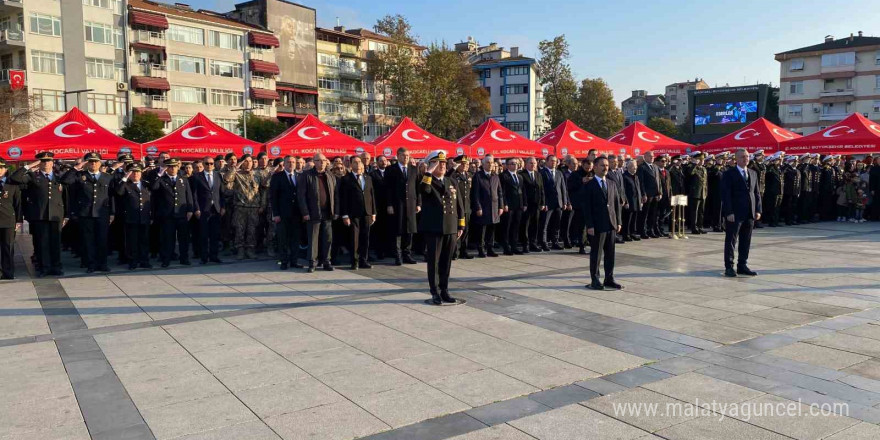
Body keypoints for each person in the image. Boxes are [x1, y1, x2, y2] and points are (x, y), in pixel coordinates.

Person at [418, 150, 465, 305]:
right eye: (439, 163)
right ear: (432, 164)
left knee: (446, 261)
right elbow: (424, 190)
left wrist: (460, 224)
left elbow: (459, 204)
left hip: (450, 226)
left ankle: (444, 290)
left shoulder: (451, 181)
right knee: (434, 262)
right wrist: (429, 171)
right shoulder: (427, 180)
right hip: (434, 228)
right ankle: (435, 292)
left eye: (444, 163)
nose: (443, 166)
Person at [10, 152, 68, 276]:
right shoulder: (32, 176)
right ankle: (44, 267)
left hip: (56, 215)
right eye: (43, 161)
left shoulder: (59, 177)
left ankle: (56, 266)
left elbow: (65, 197)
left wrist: (66, 215)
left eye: (48, 161)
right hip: (39, 215)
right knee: (42, 243)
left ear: (53, 162)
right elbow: (15, 178)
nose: (46, 163)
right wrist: (30, 166)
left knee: (56, 242)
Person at [60, 152, 115, 273]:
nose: (93, 164)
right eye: (91, 161)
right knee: (88, 240)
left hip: (102, 213)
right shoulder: (80, 176)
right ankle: (91, 264)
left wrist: (112, 213)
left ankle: (103, 264)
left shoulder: (107, 177)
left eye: (96, 161)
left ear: (100, 163)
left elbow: (111, 196)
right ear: (87, 163)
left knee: (102, 239)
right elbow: (65, 181)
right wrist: (76, 167)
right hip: (86, 213)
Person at [581, 156, 623, 290]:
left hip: (611, 223)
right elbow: (586, 207)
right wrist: (590, 225)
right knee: (596, 254)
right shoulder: (589, 185)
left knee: (610, 253)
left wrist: (619, 222)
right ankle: (595, 279)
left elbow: (616, 204)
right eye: (602, 165)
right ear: (595, 167)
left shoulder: (611, 183)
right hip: (597, 225)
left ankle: (609, 278)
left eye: (606, 165)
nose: (605, 168)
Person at [721, 149, 761, 278]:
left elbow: (756, 193)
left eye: (747, 156)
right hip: (735, 213)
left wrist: (758, 209)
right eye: (743, 157)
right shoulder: (729, 174)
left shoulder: (753, 173)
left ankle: (742, 265)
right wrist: (729, 212)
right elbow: (726, 195)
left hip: (749, 212)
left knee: (746, 240)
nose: (746, 159)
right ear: (736, 159)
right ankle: (729, 266)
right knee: (731, 240)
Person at [146, 158, 194, 267]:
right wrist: (159, 174)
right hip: (167, 214)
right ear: (167, 168)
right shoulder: (162, 179)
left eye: (174, 166)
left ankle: (184, 258)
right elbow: (154, 187)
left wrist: (190, 209)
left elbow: (189, 195)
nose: (173, 169)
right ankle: (166, 259)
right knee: (168, 238)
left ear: (178, 167)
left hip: (181, 213)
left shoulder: (183, 179)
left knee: (183, 238)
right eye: (170, 166)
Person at [297, 153, 338, 272]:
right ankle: (312, 262)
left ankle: (326, 261)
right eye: (319, 160)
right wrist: (305, 212)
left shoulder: (330, 175)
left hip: (328, 213)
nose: (322, 163)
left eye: (324, 160)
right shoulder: (306, 175)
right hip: (313, 212)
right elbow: (301, 196)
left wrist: (336, 211)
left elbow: (335, 195)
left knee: (327, 238)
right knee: (313, 238)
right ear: (314, 162)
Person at [223, 154, 267, 260]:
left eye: (250, 161)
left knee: (252, 230)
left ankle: (250, 250)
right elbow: (227, 179)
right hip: (240, 207)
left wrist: (262, 205)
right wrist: (236, 167)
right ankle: (240, 250)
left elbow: (264, 190)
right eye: (245, 161)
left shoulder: (258, 174)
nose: (248, 163)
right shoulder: (236, 174)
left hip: (254, 207)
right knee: (240, 230)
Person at [339, 157, 376, 270]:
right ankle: (354, 261)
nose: (358, 164)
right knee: (354, 239)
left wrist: (374, 212)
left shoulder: (368, 178)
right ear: (351, 165)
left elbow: (372, 196)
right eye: (355, 162)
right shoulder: (346, 179)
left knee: (365, 237)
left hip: (367, 213)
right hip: (353, 213)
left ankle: (363, 260)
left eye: (360, 162)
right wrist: (345, 215)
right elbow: (343, 198)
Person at [384, 148, 420, 265]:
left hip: (411, 204)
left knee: (409, 230)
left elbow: (417, 188)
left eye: (408, 155)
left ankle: (407, 254)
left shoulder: (414, 169)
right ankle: (398, 255)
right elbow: (388, 188)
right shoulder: (390, 169)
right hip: (397, 204)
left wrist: (418, 203)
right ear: (398, 156)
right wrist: (389, 204)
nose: (406, 158)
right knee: (397, 230)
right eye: (404, 155)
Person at [115, 164, 153, 270]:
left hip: (144, 216)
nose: (135, 174)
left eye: (138, 172)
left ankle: (144, 260)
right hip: (131, 217)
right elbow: (119, 192)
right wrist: (125, 178)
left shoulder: (146, 184)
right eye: (133, 172)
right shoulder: (126, 184)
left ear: (141, 173)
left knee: (144, 240)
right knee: (132, 241)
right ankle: (133, 261)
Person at [270, 155, 304, 270]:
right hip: (283, 213)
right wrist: (276, 214)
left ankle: (294, 261)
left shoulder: (300, 176)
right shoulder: (277, 177)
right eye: (288, 162)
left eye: (293, 162)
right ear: (284, 164)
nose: (291, 164)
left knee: (295, 238)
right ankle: (284, 261)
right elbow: (273, 197)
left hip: (297, 213)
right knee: (283, 238)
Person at [190, 155, 224, 264]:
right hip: (203, 209)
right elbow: (194, 195)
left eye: (211, 163)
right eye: (207, 163)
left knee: (215, 235)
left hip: (216, 209)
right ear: (203, 164)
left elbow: (221, 193)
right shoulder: (197, 177)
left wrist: (223, 207)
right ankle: (204, 257)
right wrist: (197, 209)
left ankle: (214, 256)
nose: (209, 165)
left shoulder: (218, 175)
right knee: (204, 235)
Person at [472, 155, 503, 258]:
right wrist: (478, 207)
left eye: (491, 162)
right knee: (482, 229)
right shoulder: (478, 176)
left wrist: (501, 206)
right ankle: (481, 249)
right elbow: (475, 194)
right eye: (488, 162)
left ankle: (490, 248)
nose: (490, 165)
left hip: (494, 207)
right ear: (483, 164)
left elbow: (499, 192)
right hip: (483, 207)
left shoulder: (495, 176)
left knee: (492, 229)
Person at [540, 155, 568, 251]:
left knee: (557, 224)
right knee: (545, 224)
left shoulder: (559, 173)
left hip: (559, 202)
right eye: (552, 161)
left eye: (555, 161)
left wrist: (565, 201)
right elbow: (542, 189)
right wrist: (544, 203)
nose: (554, 163)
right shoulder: (542, 173)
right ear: (547, 162)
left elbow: (563, 188)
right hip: (548, 203)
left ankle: (555, 241)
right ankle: (544, 242)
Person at [0, 158, 22, 279]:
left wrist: (19, 220)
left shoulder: (12, 184)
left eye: (1, 168)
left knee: (8, 247)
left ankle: (8, 271)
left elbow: (17, 203)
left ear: (6, 169)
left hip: (8, 220)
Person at [449, 155, 474, 259]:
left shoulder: (469, 175)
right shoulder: (454, 176)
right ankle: (455, 251)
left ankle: (464, 250)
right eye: (462, 164)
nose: (465, 166)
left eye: (467, 164)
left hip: (467, 207)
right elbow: (447, 177)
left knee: (466, 230)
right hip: (457, 207)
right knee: (457, 231)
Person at [519, 157, 545, 253]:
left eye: (534, 163)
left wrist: (542, 202)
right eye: (531, 163)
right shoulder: (522, 175)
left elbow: (541, 189)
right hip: (527, 204)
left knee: (535, 224)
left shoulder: (538, 174)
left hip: (536, 204)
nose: (533, 165)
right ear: (526, 164)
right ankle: (525, 244)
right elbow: (521, 191)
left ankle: (533, 243)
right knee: (525, 225)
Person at [499, 158, 524, 255]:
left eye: (516, 163)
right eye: (513, 164)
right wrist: (504, 203)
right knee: (507, 227)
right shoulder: (503, 176)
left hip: (518, 205)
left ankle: (514, 246)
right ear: (508, 165)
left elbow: (523, 191)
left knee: (516, 226)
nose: (515, 165)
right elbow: (502, 192)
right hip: (508, 205)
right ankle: (506, 246)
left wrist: (524, 203)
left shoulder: (519, 176)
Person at [369, 155, 390, 260]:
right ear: (377, 163)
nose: (384, 162)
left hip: (389, 205)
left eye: (385, 160)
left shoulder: (390, 173)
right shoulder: (372, 174)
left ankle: (388, 250)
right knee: (379, 230)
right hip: (378, 205)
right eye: (381, 161)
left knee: (388, 228)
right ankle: (379, 251)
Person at [637, 151, 662, 239]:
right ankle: (642, 231)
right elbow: (641, 182)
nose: (652, 158)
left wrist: (659, 193)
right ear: (645, 157)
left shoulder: (655, 167)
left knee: (653, 214)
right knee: (645, 214)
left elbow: (658, 181)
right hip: (647, 194)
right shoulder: (642, 167)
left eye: (652, 156)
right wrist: (643, 194)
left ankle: (650, 230)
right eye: (650, 156)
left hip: (655, 194)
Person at [684, 152, 707, 235]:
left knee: (701, 211)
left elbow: (705, 182)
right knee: (695, 211)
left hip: (702, 193)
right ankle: (694, 227)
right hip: (695, 192)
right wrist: (694, 164)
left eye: (703, 159)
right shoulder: (691, 167)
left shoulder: (703, 169)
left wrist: (706, 192)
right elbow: (690, 173)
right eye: (700, 159)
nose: (702, 161)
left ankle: (700, 226)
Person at [621, 160, 642, 241]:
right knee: (627, 219)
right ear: (628, 167)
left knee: (634, 218)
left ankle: (633, 233)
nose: (635, 168)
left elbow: (638, 189)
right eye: (633, 166)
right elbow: (623, 190)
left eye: (636, 166)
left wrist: (640, 200)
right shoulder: (625, 176)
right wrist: (625, 201)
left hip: (636, 201)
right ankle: (626, 234)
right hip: (629, 201)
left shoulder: (636, 176)